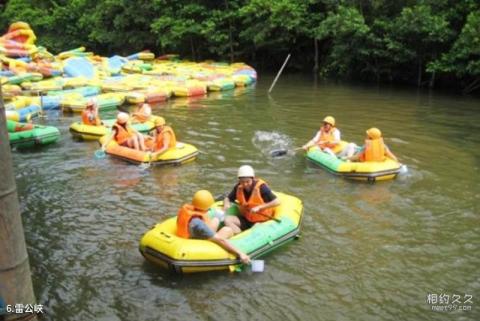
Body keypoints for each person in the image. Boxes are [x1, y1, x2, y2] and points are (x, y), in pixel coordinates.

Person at [176, 190, 250, 264]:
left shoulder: (188, 210)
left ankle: (221, 216)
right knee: (227, 230)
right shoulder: (199, 224)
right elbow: (221, 240)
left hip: (192, 236)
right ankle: (239, 237)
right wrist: (240, 253)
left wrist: (222, 211)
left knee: (216, 219)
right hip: (200, 244)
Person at [223, 165, 280, 235]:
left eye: (247, 181)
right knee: (227, 220)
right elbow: (228, 198)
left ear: (253, 179)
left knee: (255, 229)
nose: (245, 184)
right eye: (242, 182)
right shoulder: (238, 187)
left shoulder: (262, 188)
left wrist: (259, 207)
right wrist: (226, 204)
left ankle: (245, 237)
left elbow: (276, 202)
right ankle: (238, 236)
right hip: (246, 219)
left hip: (261, 221)